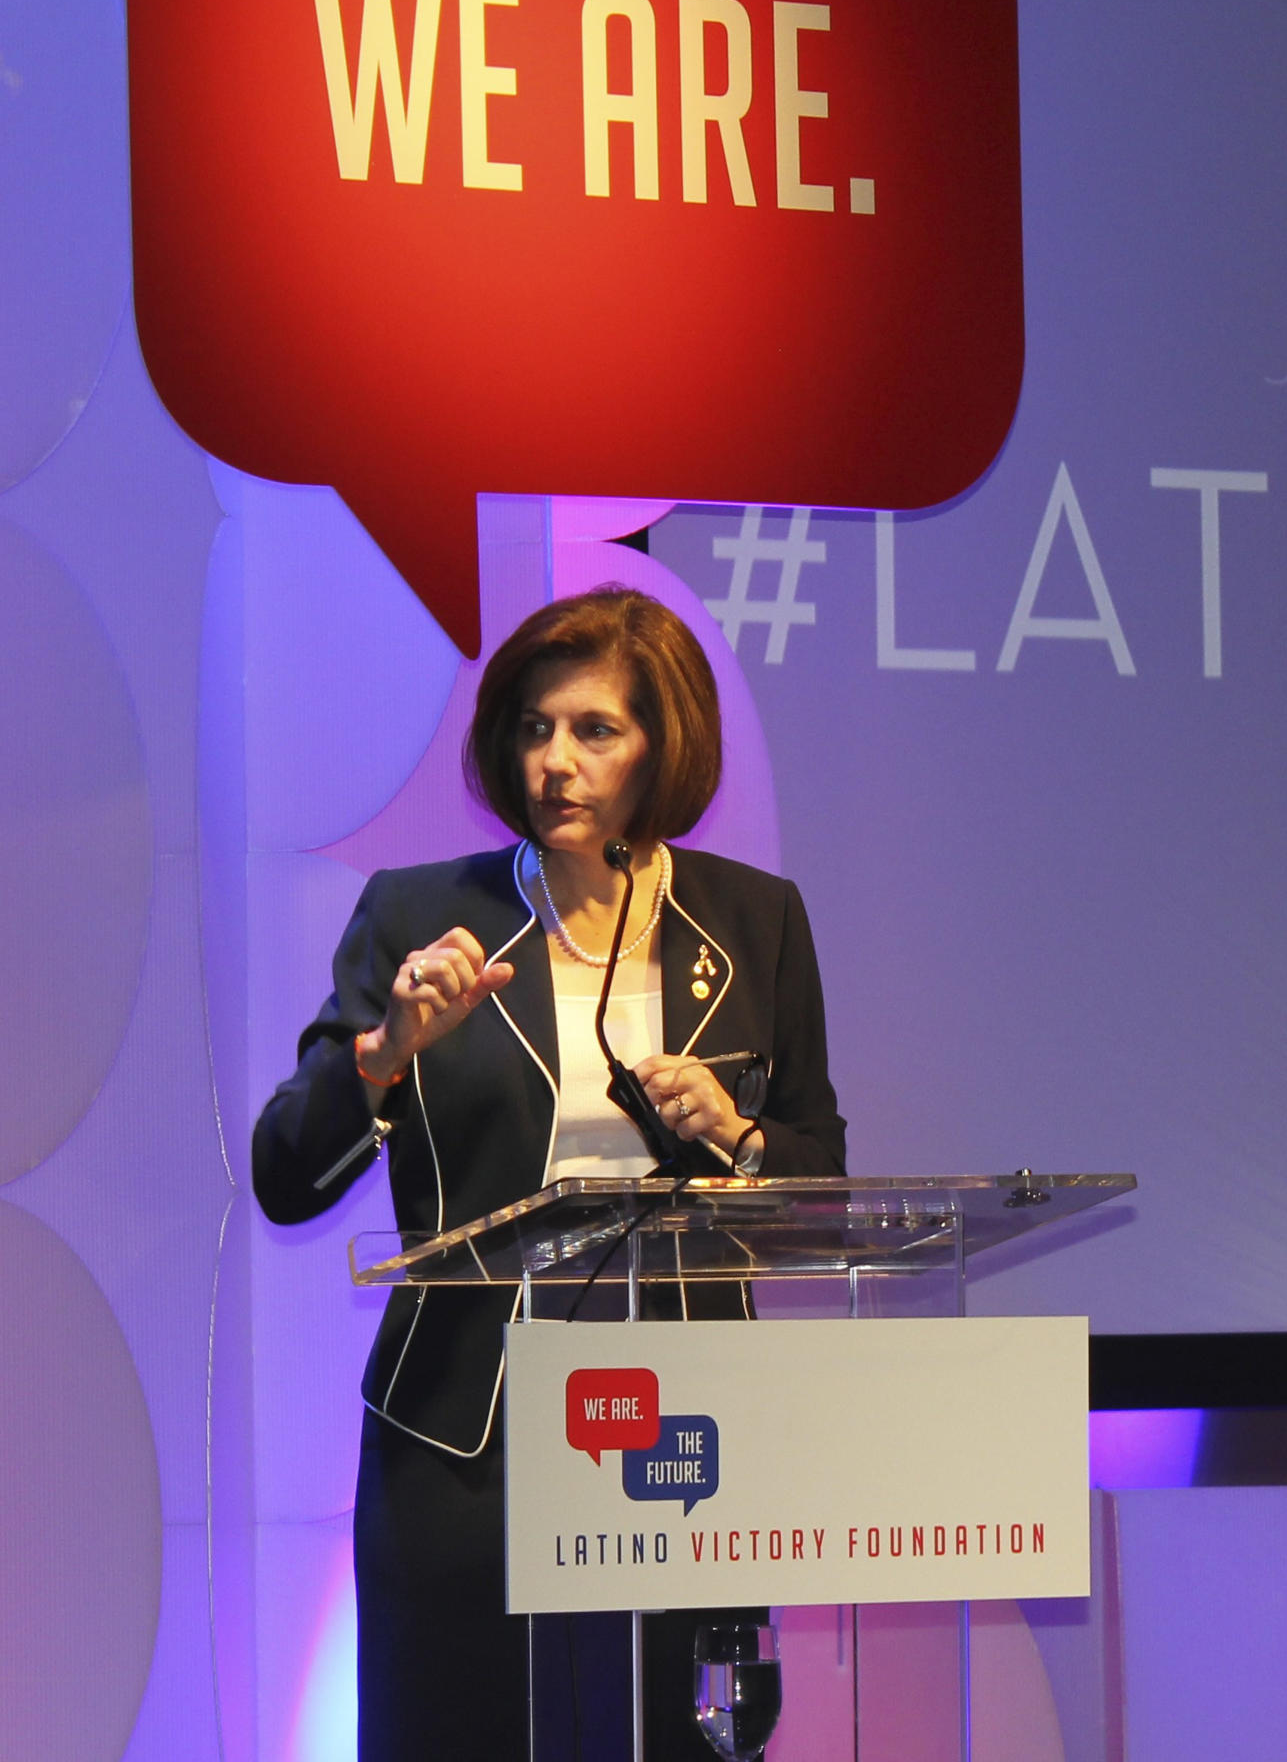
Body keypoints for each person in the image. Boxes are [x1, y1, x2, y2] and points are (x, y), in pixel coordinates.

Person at [253, 587, 846, 1761]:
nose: (554, 764)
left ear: (662, 745)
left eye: (593, 731)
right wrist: (385, 1055)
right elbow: (286, 1174)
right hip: (467, 1437)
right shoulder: (423, 916)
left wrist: (735, 1132)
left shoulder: (755, 922)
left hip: (689, 1435)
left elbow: (818, 1177)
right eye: (532, 729)